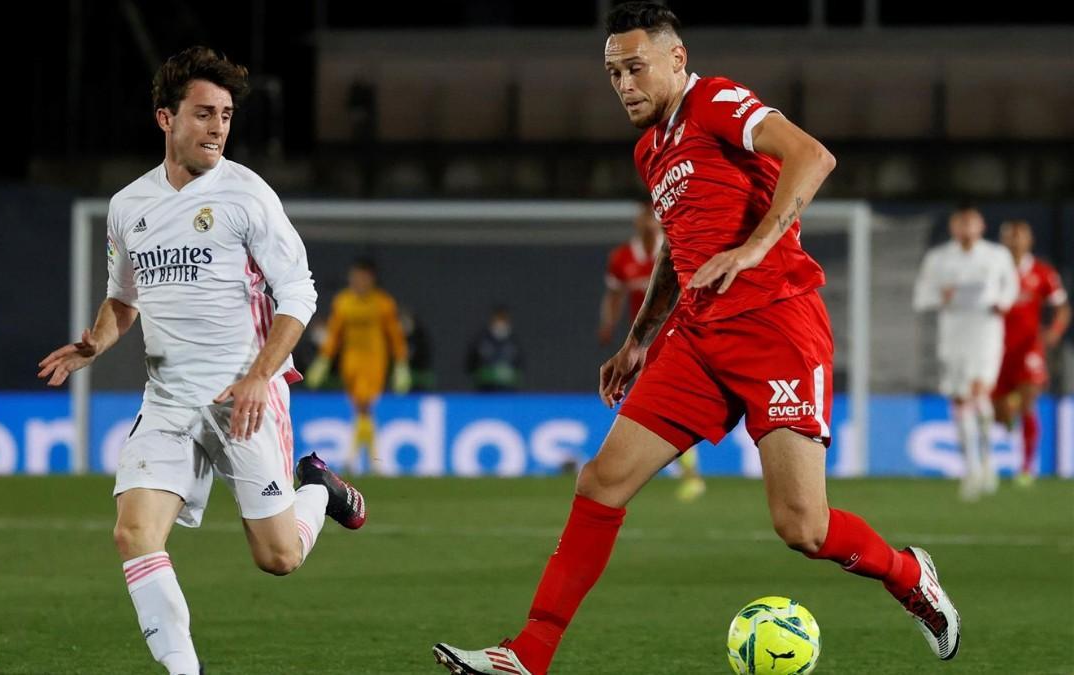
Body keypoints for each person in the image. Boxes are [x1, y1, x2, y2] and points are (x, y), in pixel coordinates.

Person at [433, 5, 960, 674]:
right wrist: (639, 337)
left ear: (676, 59)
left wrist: (756, 245)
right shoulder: (650, 147)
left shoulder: (715, 100)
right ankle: (528, 653)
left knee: (803, 526)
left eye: (635, 67)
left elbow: (812, 156)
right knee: (601, 481)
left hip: (776, 326)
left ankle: (909, 576)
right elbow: (677, 248)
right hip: (698, 337)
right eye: (612, 73)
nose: (623, 84)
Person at [37, 47, 366, 675]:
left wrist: (258, 376)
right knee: (133, 533)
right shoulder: (129, 206)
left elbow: (299, 295)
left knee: (277, 558)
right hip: (167, 399)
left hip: (243, 397)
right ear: (165, 118)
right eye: (204, 113)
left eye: (226, 115)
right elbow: (123, 300)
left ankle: (319, 491)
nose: (218, 127)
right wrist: (94, 343)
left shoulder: (247, 195)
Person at [599, 200, 706, 501]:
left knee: (657, 401)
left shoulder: (679, 247)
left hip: (680, 334)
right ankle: (688, 474)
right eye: (642, 215)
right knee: (664, 404)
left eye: (651, 214)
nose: (647, 221)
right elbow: (615, 296)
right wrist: (608, 325)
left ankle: (680, 474)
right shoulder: (621, 258)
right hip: (646, 339)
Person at [913, 206, 1018, 500]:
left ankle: (987, 462)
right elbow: (921, 297)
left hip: (985, 334)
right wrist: (940, 296)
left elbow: (1011, 288)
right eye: (961, 222)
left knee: (979, 392)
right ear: (952, 226)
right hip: (953, 338)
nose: (966, 227)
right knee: (960, 401)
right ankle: (970, 467)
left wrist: (1001, 302)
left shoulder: (997, 256)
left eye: (971, 221)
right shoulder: (938, 258)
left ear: (981, 225)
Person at [306, 258, 411, 474]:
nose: (358, 281)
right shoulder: (343, 302)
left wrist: (401, 363)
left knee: (364, 405)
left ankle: (353, 458)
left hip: (374, 361)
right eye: (355, 277)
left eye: (362, 277)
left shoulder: (383, 303)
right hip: (350, 362)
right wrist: (323, 360)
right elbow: (335, 334)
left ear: (371, 279)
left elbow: (395, 336)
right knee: (361, 409)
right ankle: (372, 460)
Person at [991, 220, 1069, 485]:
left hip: (1028, 347)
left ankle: (1026, 468)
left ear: (1029, 241)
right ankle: (1007, 410)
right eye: (1010, 237)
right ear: (1003, 241)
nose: (1015, 242)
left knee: (1028, 403)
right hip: (994, 348)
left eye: (1019, 237)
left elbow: (1061, 307)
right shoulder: (992, 271)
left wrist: (1055, 330)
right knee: (999, 414)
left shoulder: (1042, 272)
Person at [466, 306, 524, 392]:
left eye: (503, 319)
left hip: (508, 391)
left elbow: (521, 366)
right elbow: (470, 365)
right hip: (485, 390)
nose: (500, 323)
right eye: (497, 319)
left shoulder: (513, 343)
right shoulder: (481, 341)